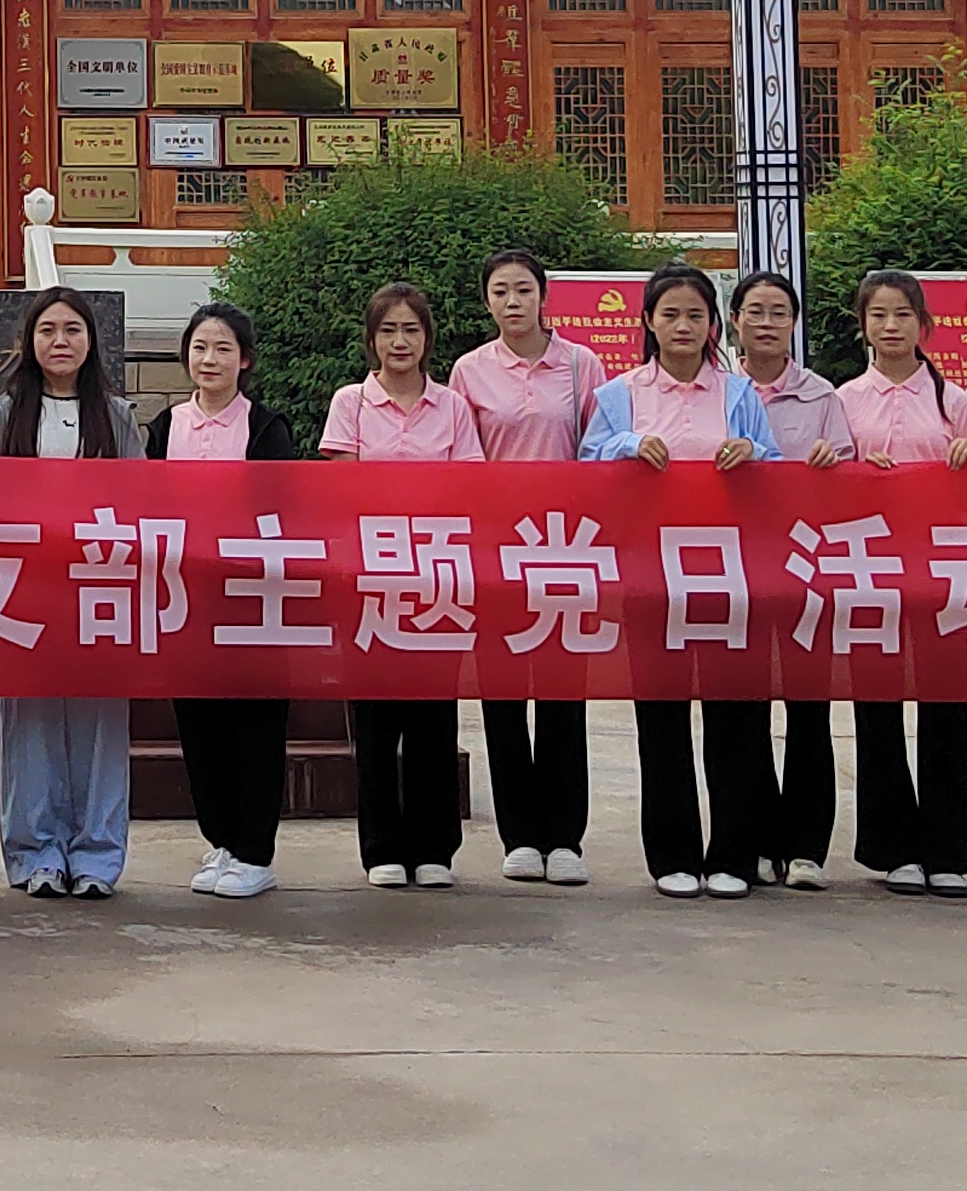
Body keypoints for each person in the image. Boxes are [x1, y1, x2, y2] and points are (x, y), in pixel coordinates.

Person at [582, 265, 778, 898]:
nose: (683, 326)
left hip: (730, 575)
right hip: (651, 574)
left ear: (714, 325)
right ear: (648, 321)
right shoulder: (619, 395)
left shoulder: (740, 395)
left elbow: (779, 471)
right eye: (670, 314)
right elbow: (586, 464)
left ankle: (734, 856)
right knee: (661, 718)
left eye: (696, 315)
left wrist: (753, 455)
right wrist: (626, 444)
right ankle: (672, 855)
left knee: (736, 717)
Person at [447, 247, 604, 885]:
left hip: (565, 548)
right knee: (504, 695)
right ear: (486, 302)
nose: (512, 302)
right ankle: (520, 836)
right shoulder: (469, 371)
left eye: (523, 290)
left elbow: (598, 452)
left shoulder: (582, 365)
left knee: (564, 695)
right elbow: (461, 459)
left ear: (544, 297)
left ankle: (565, 837)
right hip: (496, 551)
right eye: (500, 292)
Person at [320, 281, 484, 890]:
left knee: (433, 719)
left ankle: (435, 846)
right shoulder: (350, 403)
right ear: (371, 339)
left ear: (427, 338)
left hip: (438, 578)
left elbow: (467, 489)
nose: (399, 342)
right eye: (387, 330)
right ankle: (382, 847)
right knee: (376, 721)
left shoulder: (453, 407)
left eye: (410, 329)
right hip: (370, 580)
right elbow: (344, 490)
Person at [148, 300, 303, 899]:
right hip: (186, 596)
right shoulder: (165, 427)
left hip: (252, 597)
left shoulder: (266, 428)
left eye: (222, 349)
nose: (209, 359)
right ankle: (221, 839)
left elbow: (283, 509)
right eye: (199, 347)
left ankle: (255, 850)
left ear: (245, 360)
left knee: (256, 723)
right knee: (199, 723)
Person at [836, 270, 967, 900]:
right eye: (878, 315)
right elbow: (827, 484)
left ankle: (947, 850)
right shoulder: (843, 400)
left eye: (902, 315)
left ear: (925, 325)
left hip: (943, 574)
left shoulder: (957, 402)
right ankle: (893, 848)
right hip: (871, 572)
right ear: (862, 325)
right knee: (878, 711)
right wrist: (853, 471)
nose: (890, 326)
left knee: (946, 709)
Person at [0, 286, 138, 899]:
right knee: (28, 724)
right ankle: (36, 854)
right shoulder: (2, 415)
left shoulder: (118, 416)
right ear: (29, 341)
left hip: (99, 586)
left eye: (73, 330)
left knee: (100, 724)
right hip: (21, 590)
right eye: (48, 330)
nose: (60, 341)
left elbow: (143, 503)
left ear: (90, 341)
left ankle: (98, 856)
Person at [729, 268, 842, 891]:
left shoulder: (823, 397)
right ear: (735, 321)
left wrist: (833, 464)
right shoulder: (719, 391)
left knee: (808, 711)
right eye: (756, 311)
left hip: (806, 571)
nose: (767, 323)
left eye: (779, 312)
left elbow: (854, 479)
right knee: (744, 712)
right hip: (738, 570)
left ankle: (805, 847)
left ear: (794, 323)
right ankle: (753, 839)